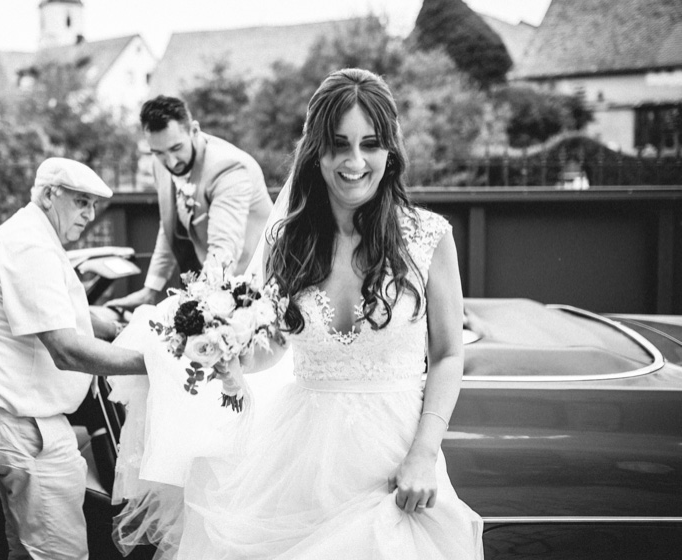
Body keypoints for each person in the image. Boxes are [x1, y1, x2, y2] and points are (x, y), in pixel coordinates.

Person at [111, 69, 483, 559]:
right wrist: (234, 358)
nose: (355, 161)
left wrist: (424, 454)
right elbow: (277, 344)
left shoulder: (429, 238)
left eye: (370, 144)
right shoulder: (291, 242)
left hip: (395, 466)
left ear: (389, 151)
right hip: (298, 467)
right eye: (338, 144)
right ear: (317, 151)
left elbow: (449, 353)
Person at [0, 157, 146, 560]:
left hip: (12, 410)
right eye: (81, 203)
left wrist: (106, 323)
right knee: (61, 552)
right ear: (50, 194)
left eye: (93, 205)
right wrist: (153, 361)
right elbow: (65, 349)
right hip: (13, 416)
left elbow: (54, 308)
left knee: (26, 547)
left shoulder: (33, 235)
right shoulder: (28, 246)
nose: (89, 215)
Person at [105, 95, 272, 310]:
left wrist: (194, 307)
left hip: (256, 283)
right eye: (158, 152)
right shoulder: (161, 163)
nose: (171, 162)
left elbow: (223, 250)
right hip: (215, 283)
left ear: (194, 130)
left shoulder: (228, 169)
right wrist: (150, 290)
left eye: (176, 148)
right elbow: (169, 225)